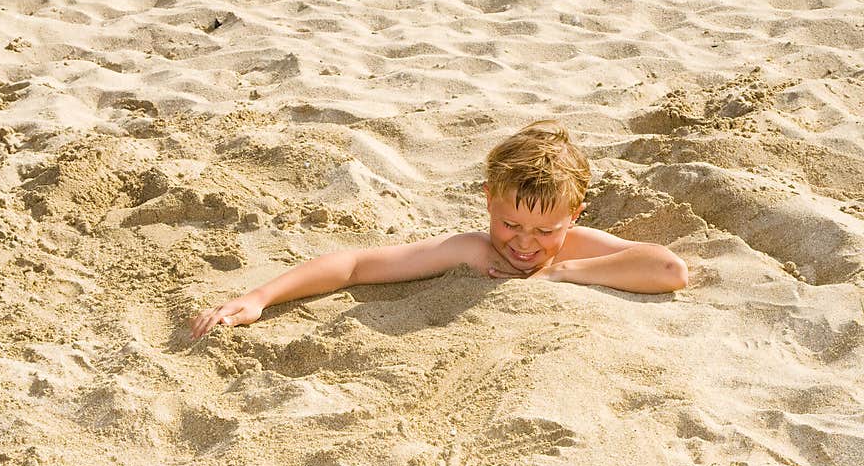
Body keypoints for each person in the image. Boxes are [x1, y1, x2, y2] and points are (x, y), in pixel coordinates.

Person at [189, 119, 688, 340]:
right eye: (510, 223)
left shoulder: (575, 248)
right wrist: (261, 296)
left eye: (545, 230)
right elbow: (356, 265)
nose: (524, 243)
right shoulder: (475, 252)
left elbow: (668, 269)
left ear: (574, 215)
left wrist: (562, 274)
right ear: (488, 202)